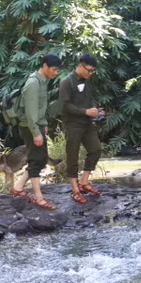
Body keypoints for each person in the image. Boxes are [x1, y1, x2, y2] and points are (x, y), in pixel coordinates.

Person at [11, 53, 61, 209]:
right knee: (35, 160)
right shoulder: (33, 83)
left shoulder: (42, 81)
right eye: (54, 69)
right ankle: (38, 197)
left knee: (40, 159)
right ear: (45, 66)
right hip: (29, 126)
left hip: (37, 125)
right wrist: (36, 132)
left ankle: (17, 188)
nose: (55, 72)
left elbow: (40, 107)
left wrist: (43, 124)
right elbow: (31, 112)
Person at [59, 53, 102, 203]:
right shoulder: (66, 82)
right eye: (88, 70)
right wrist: (85, 111)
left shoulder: (87, 81)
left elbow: (87, 100)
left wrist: (95, 110)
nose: (90, 73)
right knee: (72, 156)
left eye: (92, 71)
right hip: (72, 124)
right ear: (80, 65)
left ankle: (84, 181)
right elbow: (65, 105)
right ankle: (75, 189)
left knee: (96, 150)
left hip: (87, 123)